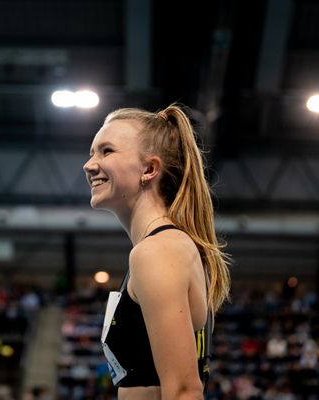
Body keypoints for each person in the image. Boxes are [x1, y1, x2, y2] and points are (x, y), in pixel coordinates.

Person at [83, 104, 231, 399]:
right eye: (92, 152)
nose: (89, 165)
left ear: (149, 169)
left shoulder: (158, 251)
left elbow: (185, 391)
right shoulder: (165, 247)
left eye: (106, 151)